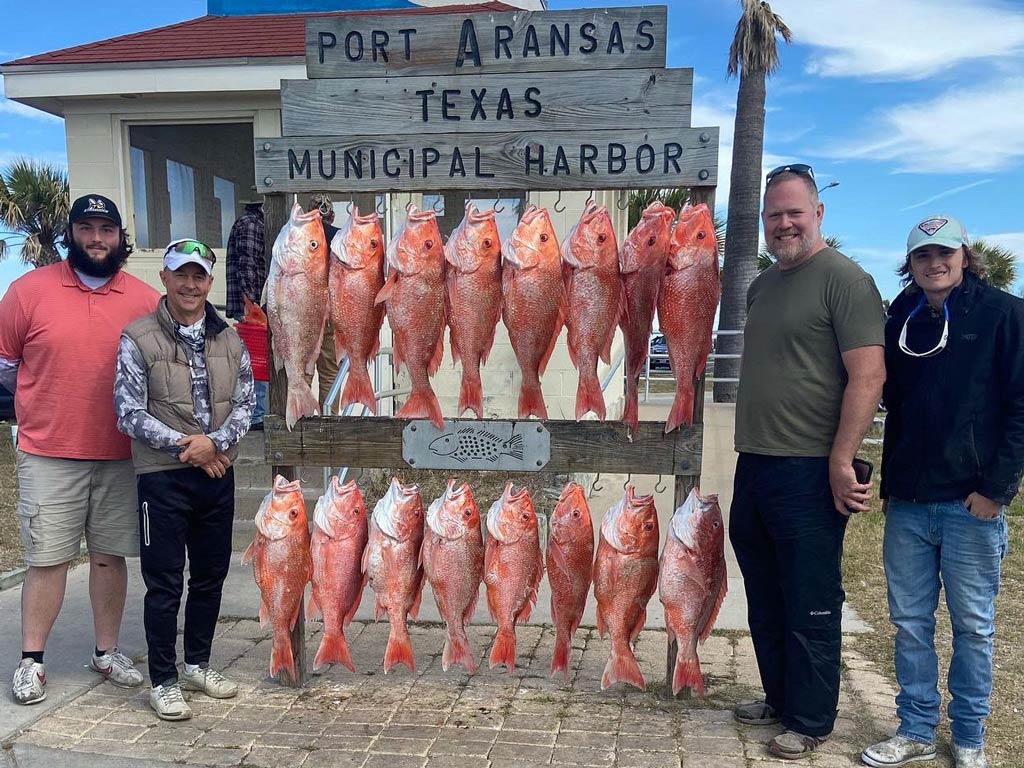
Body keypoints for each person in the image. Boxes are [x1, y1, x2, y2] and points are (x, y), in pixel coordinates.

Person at [729, 164, 886, 759]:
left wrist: (842, 458)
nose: (784, 223)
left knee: (810, 596)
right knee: (765, 592)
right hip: (757, 462)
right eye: (775, 215)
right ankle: (779, 695)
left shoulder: (844, 280)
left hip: (810, 468)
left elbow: (868, 374)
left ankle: (812, 719)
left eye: (794, 212)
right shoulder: (762, 286)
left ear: (818, 213)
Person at [861, 217, 1020, 768]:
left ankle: (970, 735)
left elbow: (1020, 410)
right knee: (909, 621)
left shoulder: (1004, 314)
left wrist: (996, 489)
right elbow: (896, 404)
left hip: (970, 503)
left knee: (973, 625)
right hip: (908, 500)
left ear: (964, 254)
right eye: (923, 255)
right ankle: (916, 727)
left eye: (944, 252)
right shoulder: (901, 316)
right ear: (911, 262)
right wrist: (891, 484)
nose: (935, 263)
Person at [0, 194, 159, 704]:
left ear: (120, 237)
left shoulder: (144, 298)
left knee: (111, 558)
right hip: (49, 452)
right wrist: (33, 407)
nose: (96, 239)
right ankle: (32, 661)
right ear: (70, 233)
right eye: (86, 228)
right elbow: (5, 363)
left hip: (120, 453)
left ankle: (106, 651)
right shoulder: (27, 291)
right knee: (47, 559)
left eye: (106, 230)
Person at [115, 238, 255, 721]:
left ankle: (197, 663)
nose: (190, 285)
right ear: (165, 278)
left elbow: (246, 403)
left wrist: (214, 444)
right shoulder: (137, 338)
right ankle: (164, 680)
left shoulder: (231, 338)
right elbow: (129, 413)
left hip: (216, 473)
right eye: (181, 275)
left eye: (199, 276)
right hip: (163, 479)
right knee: (164, 583)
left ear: (209, 282)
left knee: (211, 576)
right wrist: (189, 447)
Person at [226, 195, 267, 422]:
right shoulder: (251, 224)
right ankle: (256, 415)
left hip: (255, 305)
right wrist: (253, 304)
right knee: (256, 361)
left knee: (256, 359)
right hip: (253, 306)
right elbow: (247, 264)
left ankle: (257, 412)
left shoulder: (252, 223)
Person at [310, 192, 341, 413]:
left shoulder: (300, 235)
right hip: (331, 310)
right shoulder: (339, 237)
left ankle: (299, 420)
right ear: (332, 215)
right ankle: (328, 421)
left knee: (302, 369)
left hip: (304, 309)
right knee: (330, 372)